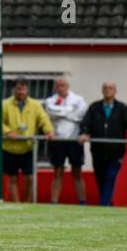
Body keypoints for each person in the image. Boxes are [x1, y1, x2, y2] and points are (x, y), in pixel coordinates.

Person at [79, 81, 127, 206]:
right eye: (105, 88)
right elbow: (86, 122)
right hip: (98, 150)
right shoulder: (94, 107)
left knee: (111, 176)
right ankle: (108, 203)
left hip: (116, 151)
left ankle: (104, 205)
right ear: (102, 90)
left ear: (115, 91)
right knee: (100, 178)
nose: (108, 90)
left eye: (110, 88)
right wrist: (84, 133)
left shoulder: (122, 108)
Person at [0, 77, 54, 202]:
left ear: (27, 90)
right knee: (12, 178)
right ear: (14, 90)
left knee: (29, 178)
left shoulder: (35, 105)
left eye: (24, 89)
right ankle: (16, 205)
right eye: (18, 89)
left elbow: (43, 119)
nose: (21, 92)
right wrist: (8, 132)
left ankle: (26, 204)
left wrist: (49, 131)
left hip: (28, 148)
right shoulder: (4, 104)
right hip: (9, 148)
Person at [45, 77, 87, 205]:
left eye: (62, 85)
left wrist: (62, 113)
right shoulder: (50, 100)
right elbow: (51, 112)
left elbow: (81, 114)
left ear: (67, 86)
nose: (60, 88)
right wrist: (70, 111)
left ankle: (82, 201)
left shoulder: (78, 99)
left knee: (77, 172)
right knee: (58, 172)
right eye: (57, 86)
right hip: (57, 140)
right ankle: (54, 201)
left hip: (75, 140)